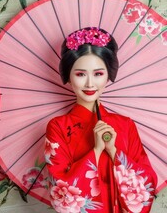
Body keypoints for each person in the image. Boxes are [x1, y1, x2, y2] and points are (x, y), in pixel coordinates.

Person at [44, 27, 157, 212]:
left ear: (108, 75)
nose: (90, 83)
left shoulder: (125, 124)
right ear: (68, 76)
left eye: (98, 73)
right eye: (80, 74)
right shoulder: (57, 126)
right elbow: (60, 191)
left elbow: (147, 182)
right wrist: (96, 150)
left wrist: (113, 150)